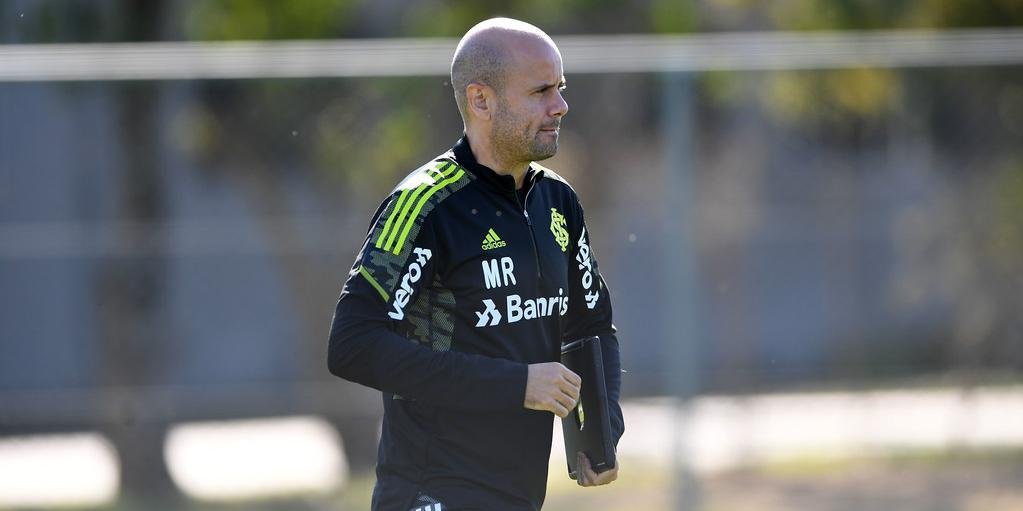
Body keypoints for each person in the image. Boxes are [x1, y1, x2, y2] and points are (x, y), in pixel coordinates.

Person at [327, 17, 624, 511]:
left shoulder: (558, 203)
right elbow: (353, 345)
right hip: (431, 492)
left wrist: (600, 426)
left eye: (561, 87)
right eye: (540, 91)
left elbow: (591, 324)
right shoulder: (425, 206)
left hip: (517, 496)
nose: (561, 106)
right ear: (482, 100)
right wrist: (516, 384)